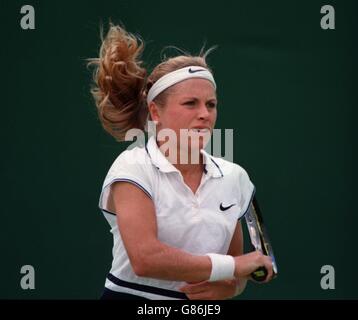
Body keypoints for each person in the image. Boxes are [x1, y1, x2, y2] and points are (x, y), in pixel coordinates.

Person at [89, 24, 274, 300]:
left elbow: (238, 271)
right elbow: (145, 259)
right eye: (191, 103)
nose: (204, 114)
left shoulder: (235, 178)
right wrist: (234, 267)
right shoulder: (133, 168)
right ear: (155, 111)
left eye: (211, 105)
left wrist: (232, 285)